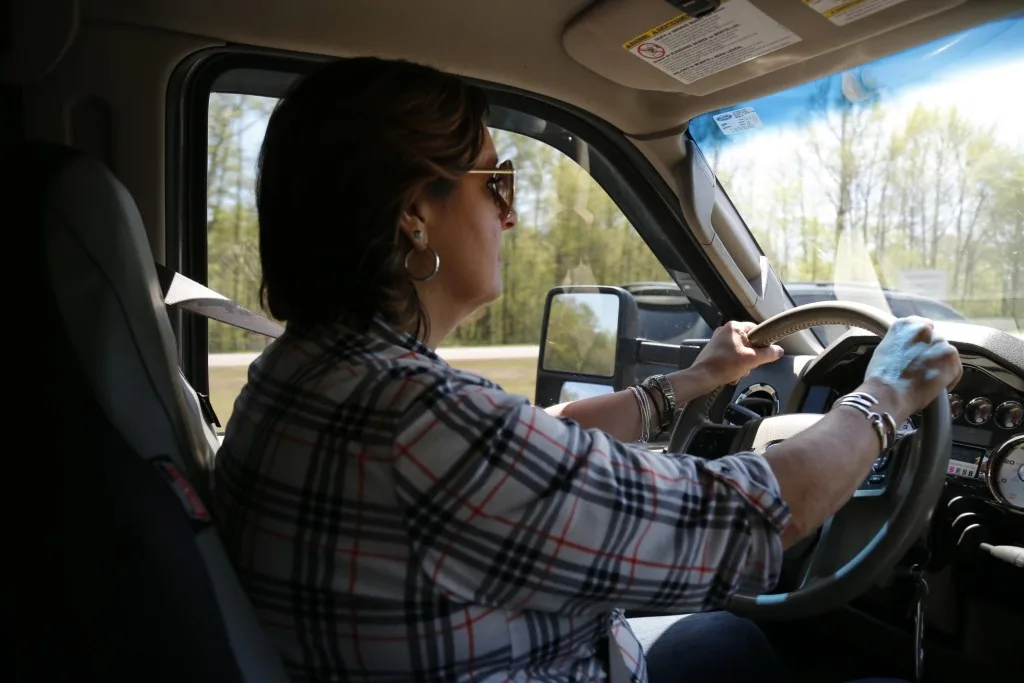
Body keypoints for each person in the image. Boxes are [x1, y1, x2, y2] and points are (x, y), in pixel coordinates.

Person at [212, 56, 961, 683]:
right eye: (495, 182)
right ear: (416, 211)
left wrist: (690, 384)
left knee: (726, 644)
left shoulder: (301, 372)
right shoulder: (414, 417)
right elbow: (744, 518)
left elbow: (538, 441)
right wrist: (884, 395)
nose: (510, 215)